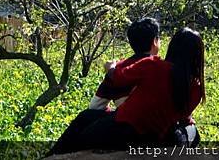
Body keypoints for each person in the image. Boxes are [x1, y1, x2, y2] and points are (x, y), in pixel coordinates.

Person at [48, 27, 205, 155]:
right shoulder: (197, 89)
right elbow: (181, 116)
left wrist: (111, 68)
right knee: (88, 117)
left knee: (83, 127)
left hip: (122, 129)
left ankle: (51, 155)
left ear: (173, 47)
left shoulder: (154, 65)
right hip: (154, 138)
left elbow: (118, 78)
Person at [88, 17, 160, 110]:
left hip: (125, 121)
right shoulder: (162, 68)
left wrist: (115, 113)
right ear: (155, 41)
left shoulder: (116, 69)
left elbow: (95, 106)